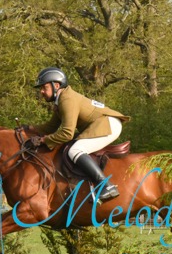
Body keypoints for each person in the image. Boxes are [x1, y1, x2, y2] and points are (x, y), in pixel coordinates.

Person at [27, 67, 129, 202]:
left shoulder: (67, 100)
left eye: (44, 87)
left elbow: (67, 134)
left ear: (56, 85)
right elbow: (51, 127)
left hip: (108, 125)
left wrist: (44, 140)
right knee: (72, 147)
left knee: (75, 150)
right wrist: (29, 129)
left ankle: (106, 186)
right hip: (101, 124)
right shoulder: (62, 99)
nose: (41, 91)